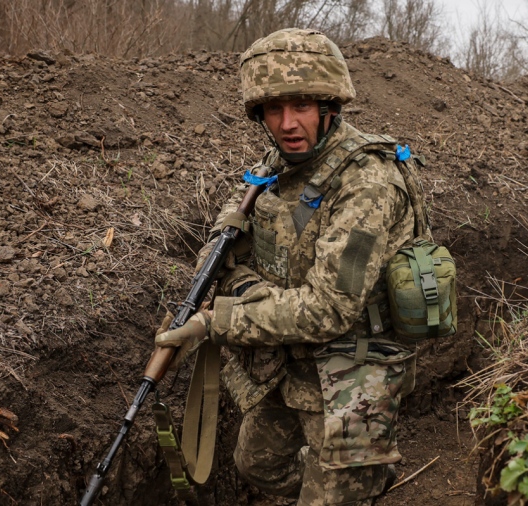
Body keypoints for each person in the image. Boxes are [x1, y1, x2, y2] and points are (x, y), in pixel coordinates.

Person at [156, 28, 423, 505]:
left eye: (300, 106)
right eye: (274, 110)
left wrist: (214, 321)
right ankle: (347, 483)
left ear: (328, 107)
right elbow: (230, 240)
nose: (287, 123)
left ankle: (356, 482)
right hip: (293, 352)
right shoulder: (276, 167)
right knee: (256, 464)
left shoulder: (367, 184)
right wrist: (215, 277)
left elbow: (330, 310)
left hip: (354, 363)